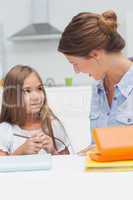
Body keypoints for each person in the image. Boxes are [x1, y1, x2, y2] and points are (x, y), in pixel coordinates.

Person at [58, 10, 133, 141]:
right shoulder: (98, 87)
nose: (76, 71)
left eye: (75, 63)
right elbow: (99, 146)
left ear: (95, 55)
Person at [0, 65, 72, 156]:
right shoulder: (5, 130)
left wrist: (53, 150)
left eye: (39, 88)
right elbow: (2, 167)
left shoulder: (52, 125)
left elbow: (67, 163)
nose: (36, 97)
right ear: (12, 97)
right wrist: (20, 152)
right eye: (27, 91)